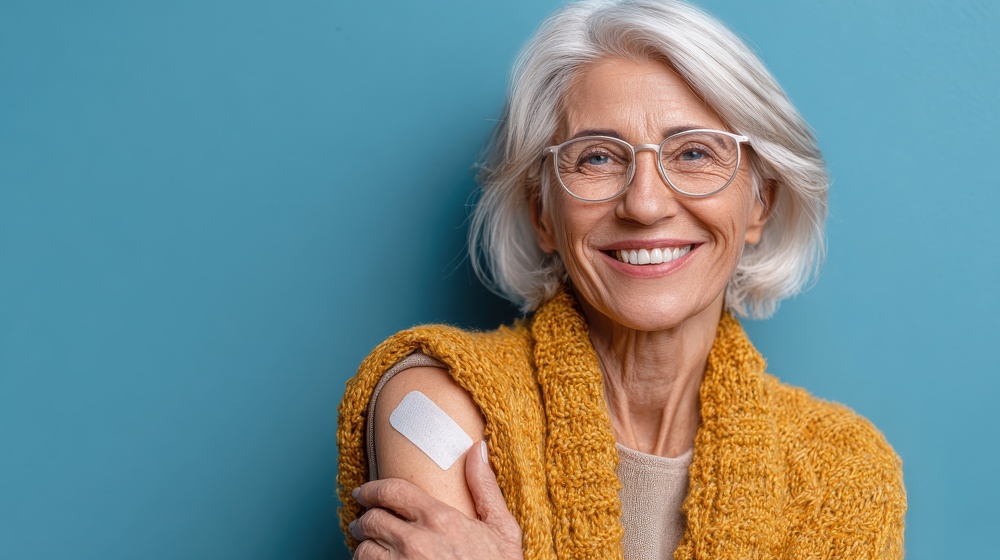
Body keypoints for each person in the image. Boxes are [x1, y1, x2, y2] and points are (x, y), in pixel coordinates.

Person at [336, 0, 907, 558]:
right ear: (543, 216)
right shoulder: (440, 399)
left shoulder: (846, 469)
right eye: (598, 159)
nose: (646, 203)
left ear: (760, 205)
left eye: (693, 153)